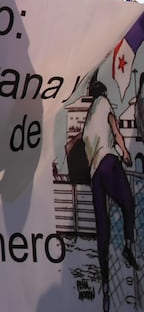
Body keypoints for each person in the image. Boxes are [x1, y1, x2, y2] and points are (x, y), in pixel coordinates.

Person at [81, 76, 138, 307]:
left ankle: (105, 284)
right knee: (128, 202)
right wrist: (125, 152)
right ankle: (128, 245)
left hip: (95, 173)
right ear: (103, 93)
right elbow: (115, 129)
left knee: (102, 228)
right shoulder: (104, 103)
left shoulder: (88, 119)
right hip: (108, 162)